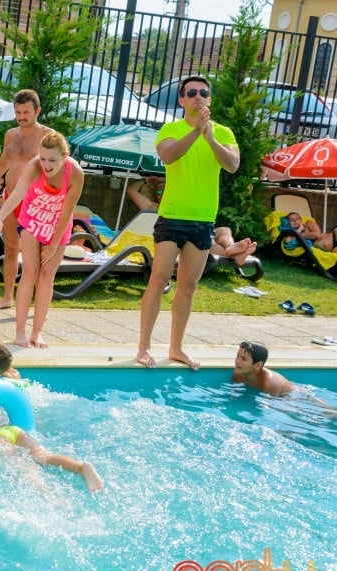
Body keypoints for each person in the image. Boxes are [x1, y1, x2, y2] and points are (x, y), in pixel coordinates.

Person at [136, 76, 239, 370]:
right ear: (181, 100)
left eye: (203, 93)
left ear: (210, 100)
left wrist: (209, 137)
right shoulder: (171, 129)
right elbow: (168, 156)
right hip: (172, 216)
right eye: (191, 93)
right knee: (158, 279)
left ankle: (176, 348)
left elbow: (232, 165)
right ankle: (144, 347)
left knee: (188, 287)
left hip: (203, 219)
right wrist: (196, 133)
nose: (197, 96)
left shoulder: (223, 133)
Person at [0, 132, 83, 348]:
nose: (46, 165)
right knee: (30, 272)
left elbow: (67, 212)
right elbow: (17, 194)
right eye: (43, 158)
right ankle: (20, 332)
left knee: (47, 275)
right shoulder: (34, 167)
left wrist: (52, 246)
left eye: (52, 160)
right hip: (33, 218)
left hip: (58, 224)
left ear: (64, 156)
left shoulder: (75, 173)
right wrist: (0, 218)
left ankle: (37, 333)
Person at [0, 89, 53, 310]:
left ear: (38, 111)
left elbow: (58, 170)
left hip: (35, 203)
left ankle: (34, 301)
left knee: (35, 254)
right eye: (18, 112)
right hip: (11, 199)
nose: (21, 116)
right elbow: (1, 165)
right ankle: (7, 297)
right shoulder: (11, 135)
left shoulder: (48, 137)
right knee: (11, 249)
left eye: (26, 112)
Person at [0, 377, 104, 492]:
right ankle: (81, 467)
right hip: (13, 429)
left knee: (23, 466)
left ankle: (49, 496)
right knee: (44, 456)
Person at [126, 176, 256, 265]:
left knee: (224, 230)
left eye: (167, 188)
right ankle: (235, 255)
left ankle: (229, 247)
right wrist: (146, 180)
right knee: (205, 238)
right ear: (155, 194)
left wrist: (164, 179)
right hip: (172, 237)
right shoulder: (152, 206)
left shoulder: (183, 205)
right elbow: (131, 190)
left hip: (189, 231)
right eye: (160, 190)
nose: (164, 192)